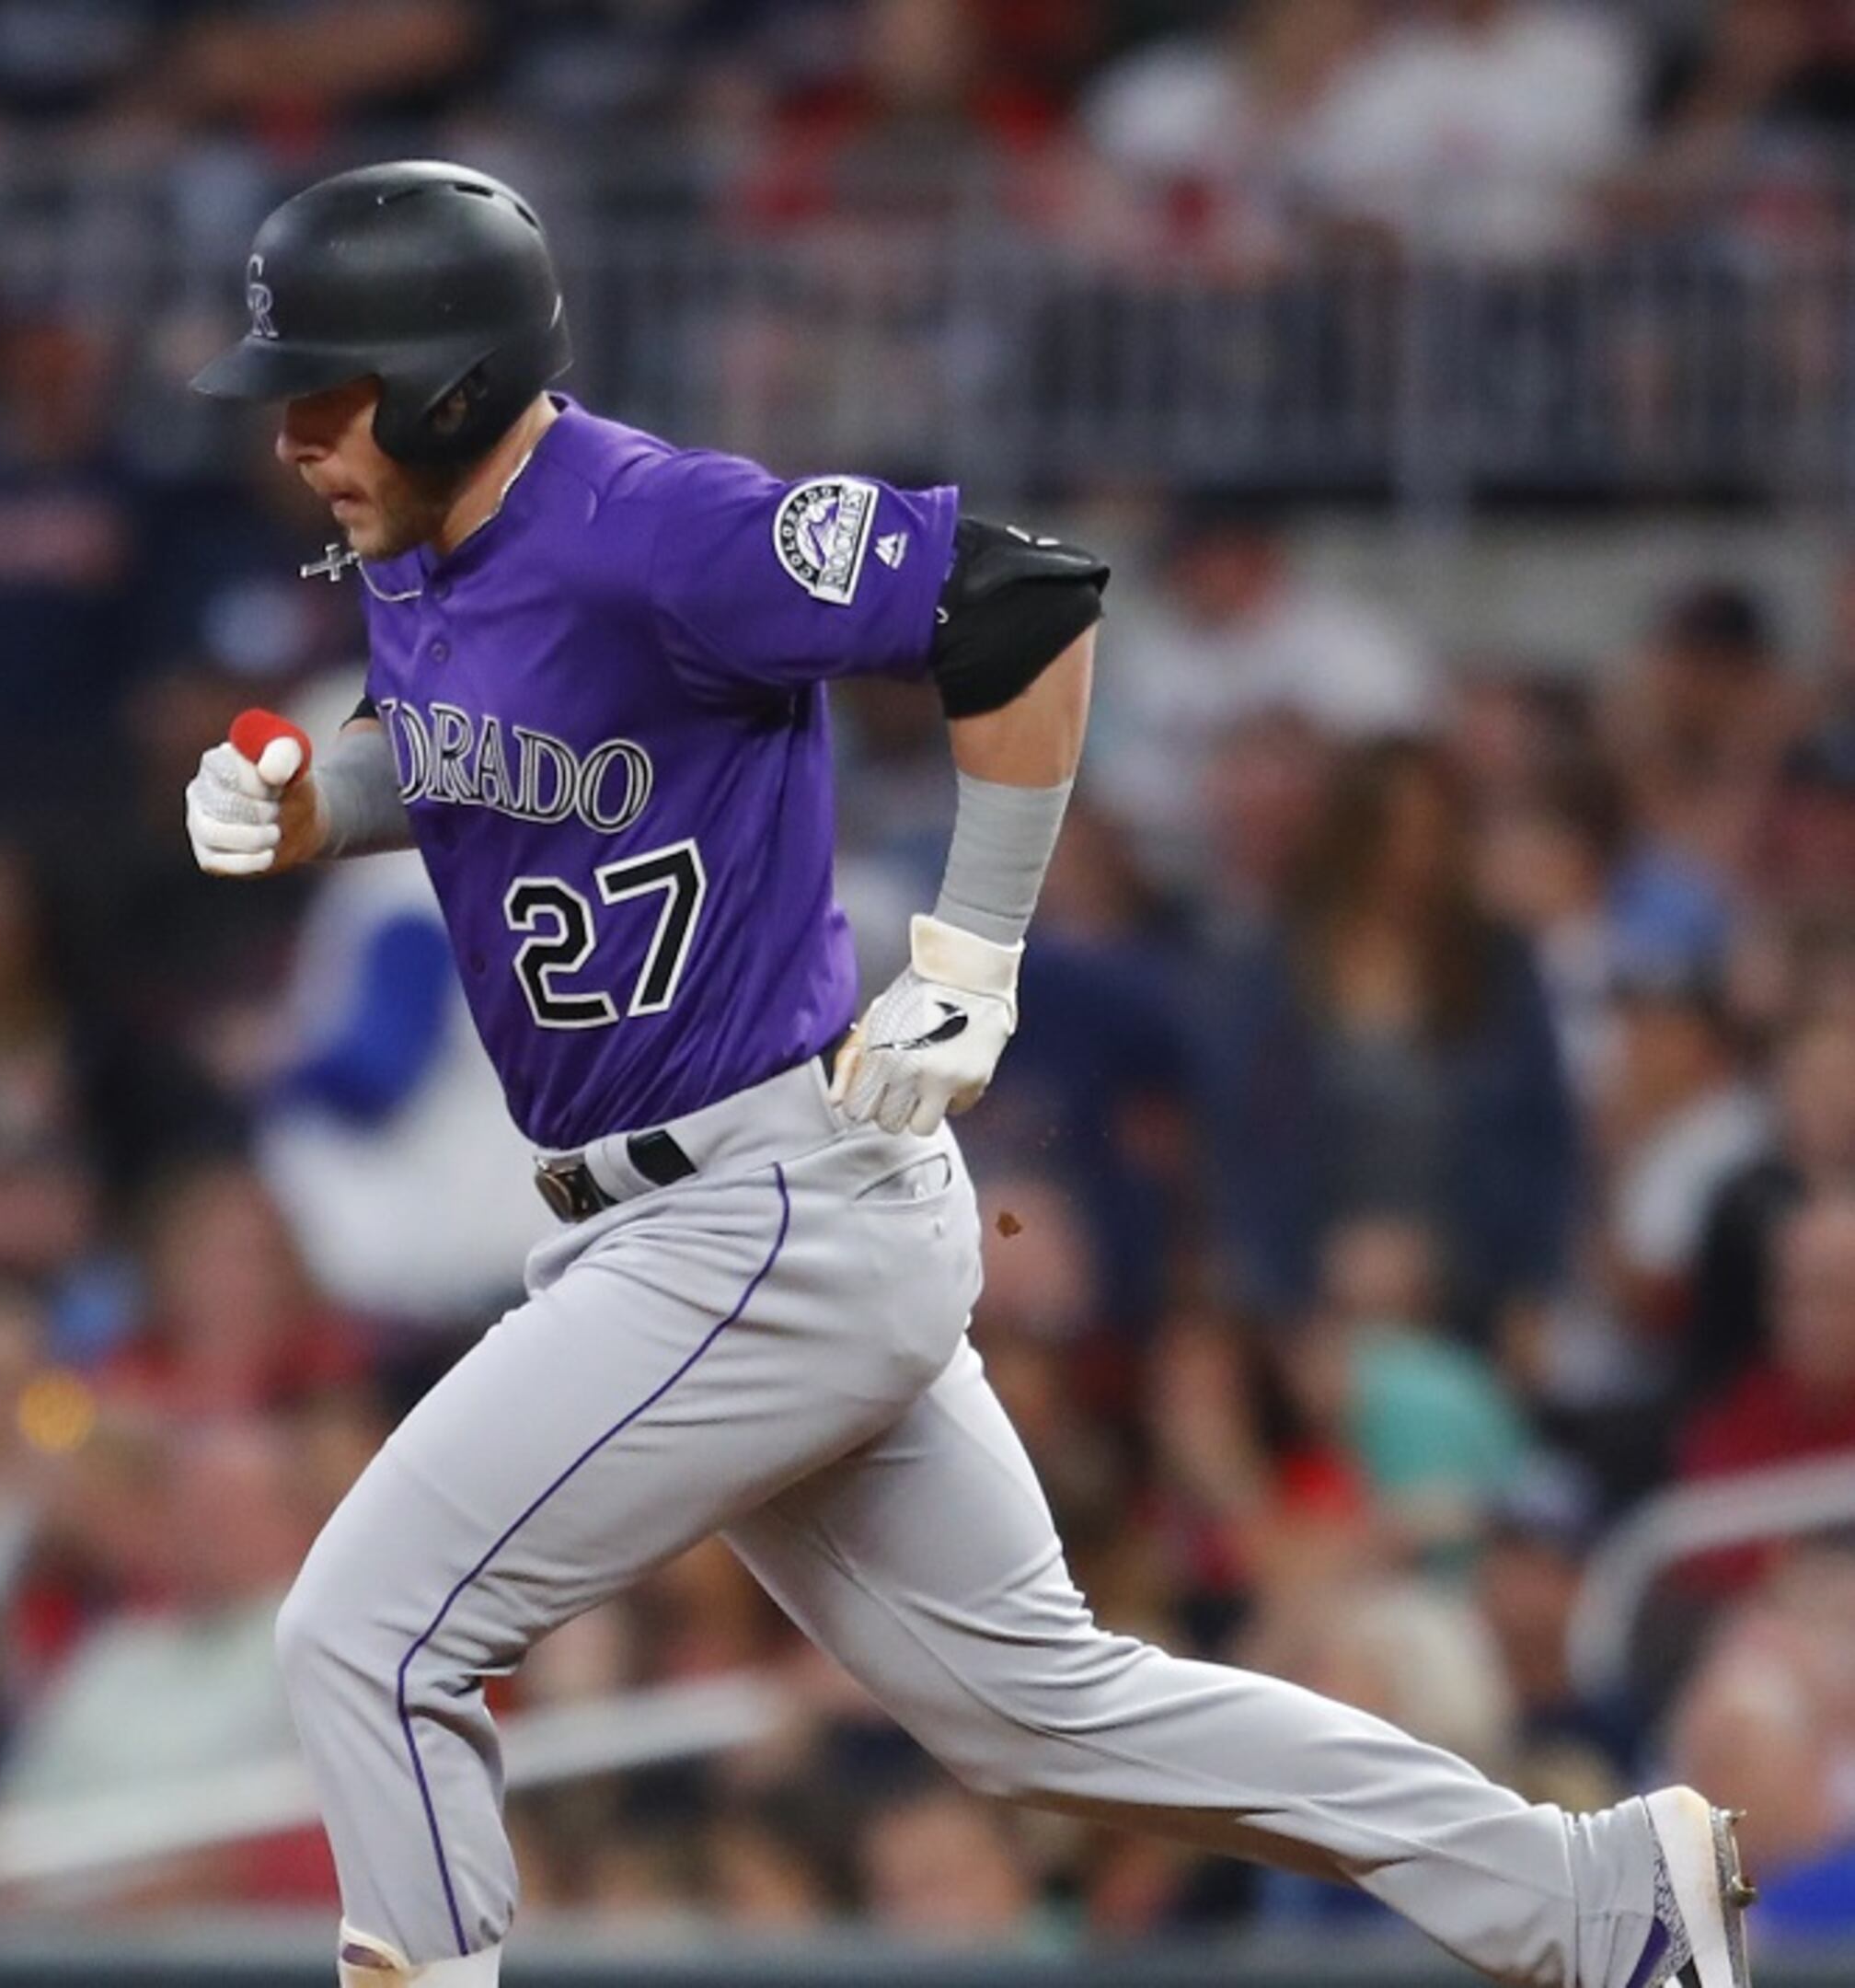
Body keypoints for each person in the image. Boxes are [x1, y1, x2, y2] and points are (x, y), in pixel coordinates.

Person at [178, 159, 1752, 1988]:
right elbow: (472, 751)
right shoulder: (429, 543)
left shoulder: (653, 524)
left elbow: (1022, 602)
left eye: (327, 388)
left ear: (453, 378)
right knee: (1043, 1717)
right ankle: (1589, 1894)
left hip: (760, 1205)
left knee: (367, 1633)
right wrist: (321, 803)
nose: (293, 433)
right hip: (704, 1220)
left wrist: (974, 953)